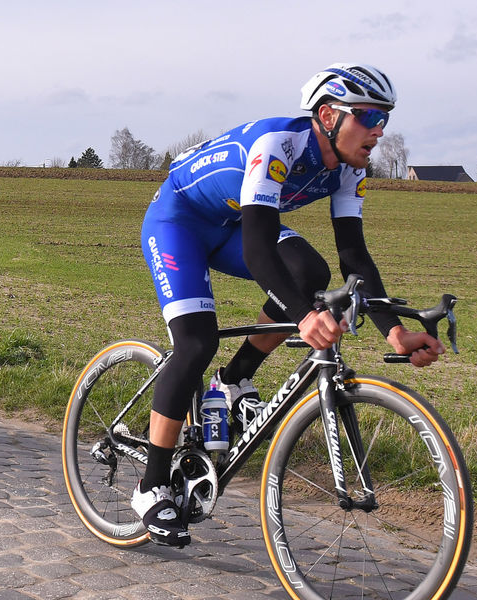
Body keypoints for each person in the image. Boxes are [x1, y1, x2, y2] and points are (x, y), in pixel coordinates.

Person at [133, 63, 446, 548]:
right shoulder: (277, 145)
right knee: (196, 342)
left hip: (231, 224)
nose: (378, 131)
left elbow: (354, 256)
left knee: (309, 273)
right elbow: (259, 251)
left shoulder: (348, 169)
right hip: (180, 220)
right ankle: (151, 485)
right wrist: (304, 316)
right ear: (328, 115)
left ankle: (233, 381)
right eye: (367, 116)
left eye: (384, 119)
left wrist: (393, 332)